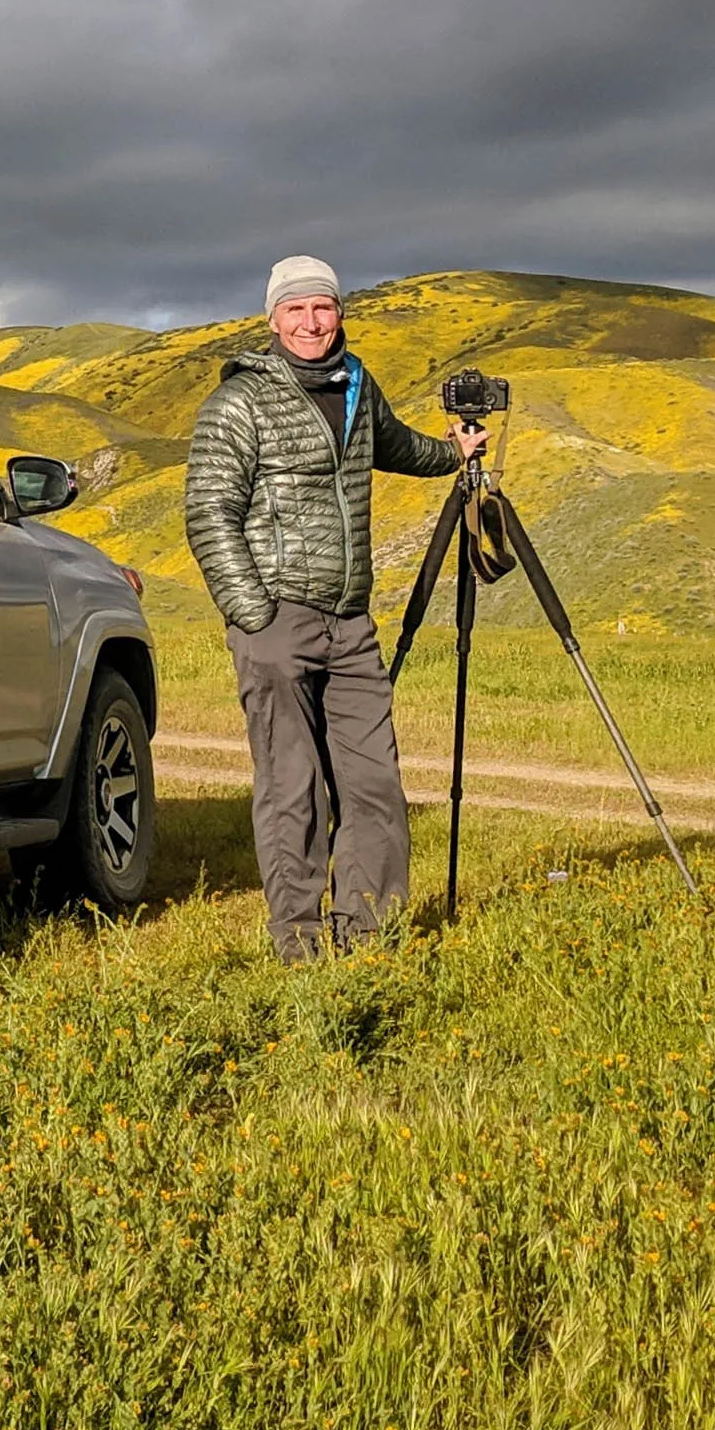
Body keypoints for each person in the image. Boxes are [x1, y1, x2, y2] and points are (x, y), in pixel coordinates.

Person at [183, 257, 486, 960]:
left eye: (321, 308)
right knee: (294, 786)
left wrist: (453, 451)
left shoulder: (356, 387)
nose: (310, 323)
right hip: (278, 620)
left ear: (339, 313)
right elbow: (208, 513)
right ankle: (299, 940)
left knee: (374, 781)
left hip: (351, 623)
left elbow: (397, 445)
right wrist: (252, 614)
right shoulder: (240, 403)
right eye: (295, 311)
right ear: (272, 320)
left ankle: (371, 937)